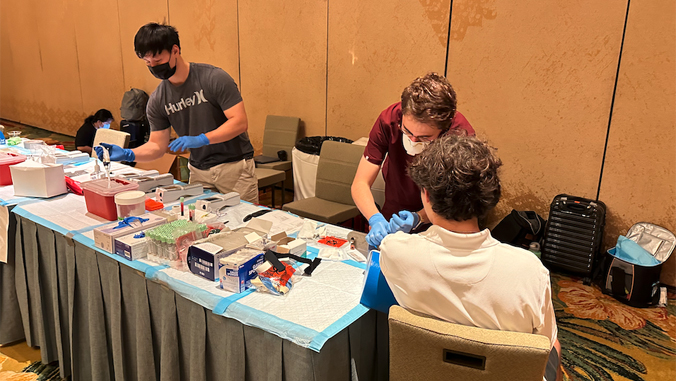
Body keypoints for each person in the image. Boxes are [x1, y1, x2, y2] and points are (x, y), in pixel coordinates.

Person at [380, 134, 562, 381]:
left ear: (426, 196)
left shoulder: (395, 251)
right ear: (489, 199)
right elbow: (543, 345)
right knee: (554, 346)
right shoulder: (530, 271)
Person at [95, 23, 258, 202]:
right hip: (198, 170)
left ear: (175, 50)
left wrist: (202, 139)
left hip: (234, 168)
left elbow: (239, 122)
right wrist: (129, 153)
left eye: (157, 60)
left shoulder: (213, 78)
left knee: (245, 224)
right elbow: (157, 146)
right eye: (148, 63)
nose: (153, 67)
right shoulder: (158, 99)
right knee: (205, 225)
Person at [351, 73, 475, 248]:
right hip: (395, 210)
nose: (413, 141)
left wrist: (419, 217)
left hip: (442, 219)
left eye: (424, 137)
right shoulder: (389, 120)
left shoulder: (460, 135)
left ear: (444, 129)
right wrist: (375, 218)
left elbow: (455, 200)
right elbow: (360, 183)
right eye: (407, 131)